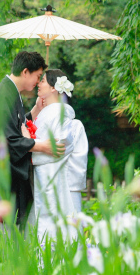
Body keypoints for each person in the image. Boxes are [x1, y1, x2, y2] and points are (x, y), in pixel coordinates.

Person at [0, 51, 65, 228]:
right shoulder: (4, 95)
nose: (38, 81)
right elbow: (7, 139)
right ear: (25, 72)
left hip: (0, 174)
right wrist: (40, 146)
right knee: (0, 239)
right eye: (37, 76)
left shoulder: (10, 92)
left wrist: (34, 112)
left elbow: (13, 125)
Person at [25, 68, 88, 243]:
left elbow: (58, 149)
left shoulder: (61, 117)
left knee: (52, 231)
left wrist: (28, 144)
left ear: (54, 88)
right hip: (44, 179)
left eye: (43, 80)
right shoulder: (47, 114)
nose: (39, 83)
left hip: (53, 179)